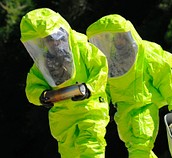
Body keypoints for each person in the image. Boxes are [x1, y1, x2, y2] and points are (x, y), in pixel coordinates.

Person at [86, 14, 172, 158]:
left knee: (140, 148)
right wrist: (101, 108)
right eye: (115, 37)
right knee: (135, 147)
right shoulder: (112, 60)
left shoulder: (147, 52)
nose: (118, 40)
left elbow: (164, 78)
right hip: (122, 110)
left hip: (143, 108)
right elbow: (105, 86)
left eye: (120, 36)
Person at [20, 8, 110, 158]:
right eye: (48, 39)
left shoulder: (83, 49)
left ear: (63, 32)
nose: (54, 42)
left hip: (89, 109)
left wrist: (89, 88)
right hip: (63, 117)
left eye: (55, 37)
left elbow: (100, 69)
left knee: (91, 148)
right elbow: (32, 88)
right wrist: (42, 96)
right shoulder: (43, 64)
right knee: (69, 153)